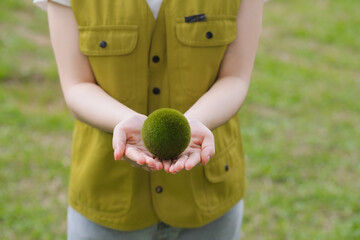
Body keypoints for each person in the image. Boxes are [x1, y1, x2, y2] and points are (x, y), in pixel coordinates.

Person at [35, 0, 264, 239]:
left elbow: (235, 77)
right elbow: (76, 85)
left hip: (209, 195)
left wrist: (191, 124)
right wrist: (124, 120)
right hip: (106, 191)